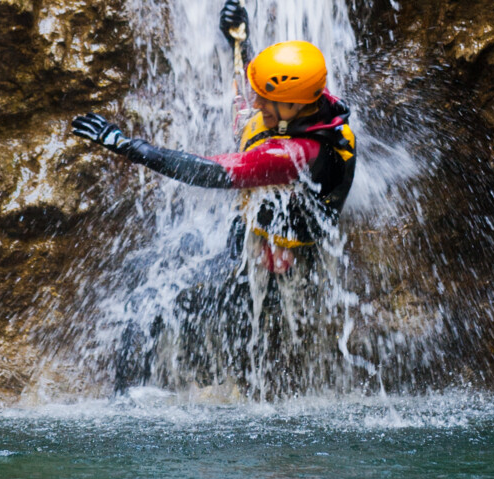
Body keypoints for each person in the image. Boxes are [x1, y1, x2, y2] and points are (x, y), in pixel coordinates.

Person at [72, 0, 356, 394]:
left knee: (149, 301)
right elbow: (271, 90)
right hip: (253, 233)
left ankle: (126, 404)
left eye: (265, 100)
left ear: (294, 106)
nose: (256, 104)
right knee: (145, 262)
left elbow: (210, 172)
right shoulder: (311, 103)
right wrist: (240, 40)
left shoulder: (295, 156)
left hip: (266, 262)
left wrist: (126, 145)